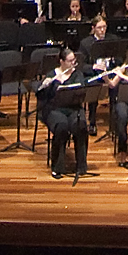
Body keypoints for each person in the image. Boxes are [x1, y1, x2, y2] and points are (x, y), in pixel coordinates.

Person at [38, 47, 92, 178]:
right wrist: (45, 86)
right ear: (61, 61)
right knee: (61, 127)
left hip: (73, 108)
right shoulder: (52, 75)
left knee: (80, 126)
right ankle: (57, 166)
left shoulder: (77, 74)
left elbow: (81, 94)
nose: (73, 63)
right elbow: (41, 97)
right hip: (54, 109)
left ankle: (81, 165)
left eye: (74, 60)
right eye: (70, 61)